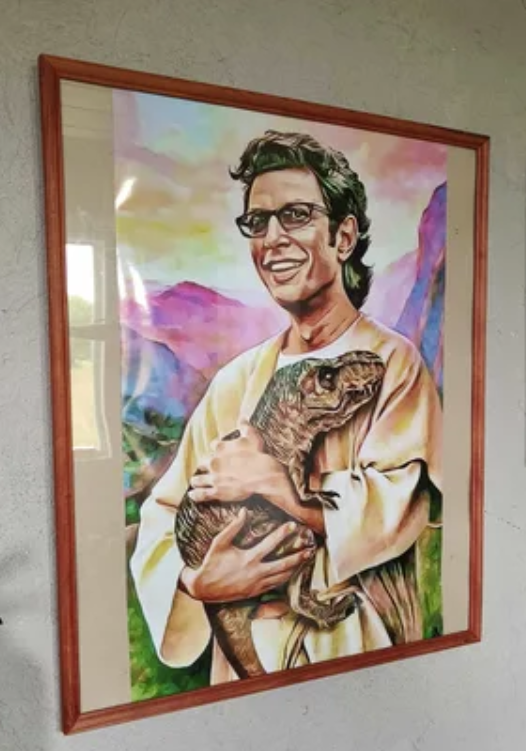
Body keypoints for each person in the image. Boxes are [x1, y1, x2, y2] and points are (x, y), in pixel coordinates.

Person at [130, 130, 443, 683]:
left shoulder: (395, 365)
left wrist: (279, 489)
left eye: (295, 215)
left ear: (343, 236)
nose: (272, 239)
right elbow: (165, 513)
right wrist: (197, 583)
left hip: (357, 652)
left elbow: (396, 513)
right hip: (243, 668)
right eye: (258, 222)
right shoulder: (235, 382)